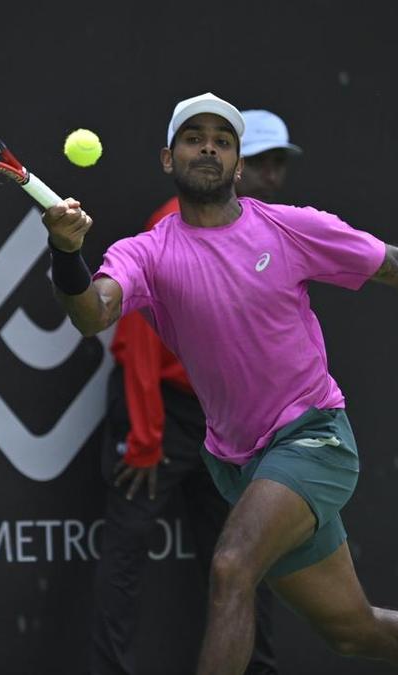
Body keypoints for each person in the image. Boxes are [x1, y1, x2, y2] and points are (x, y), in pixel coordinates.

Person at [47, 92, 398, 675]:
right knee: (352, 628)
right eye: (194, 139)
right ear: (169, 158)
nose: (209, 148)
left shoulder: (289, 229)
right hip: (237, 461)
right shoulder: (147, 251)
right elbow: (92, 312)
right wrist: (66, 252)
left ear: (237, 165)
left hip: (313, 439)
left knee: (232, 565)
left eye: (222, 140)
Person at [89, 109, 303, 675]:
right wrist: (145, 436)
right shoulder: (169, 227)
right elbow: (137, 341)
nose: (272, 175)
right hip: (157, 417)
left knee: (244, 558)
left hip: (224, 425)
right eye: (263, 161)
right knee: (126, 553)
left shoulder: (270, 231)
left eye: (279, 163)